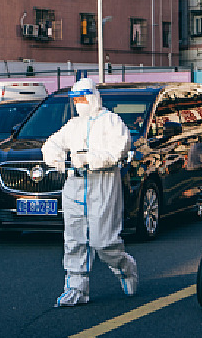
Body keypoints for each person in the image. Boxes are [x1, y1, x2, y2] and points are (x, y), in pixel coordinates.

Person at [42, 77, 139, 308]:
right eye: (75, 99)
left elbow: (118, 150)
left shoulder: (111, 122)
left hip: (102, 185)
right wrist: (56, 158)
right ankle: (76, 288)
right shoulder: (73, 125)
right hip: (75, 186)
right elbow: (52, 144)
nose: (79, 102)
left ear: (93, 96)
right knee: (74, 240)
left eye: (82, 98)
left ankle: (125, 268)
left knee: (103, 241)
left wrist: (88, 160)